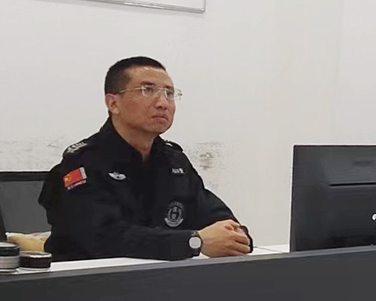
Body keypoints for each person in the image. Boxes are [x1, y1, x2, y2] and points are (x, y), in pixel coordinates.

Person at [39, 57, 252, 260]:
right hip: (88, 280)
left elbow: (213, 213)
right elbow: (104, 237)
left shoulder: (174, 161)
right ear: (113, 103)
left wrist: (235, 235)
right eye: (147, 90)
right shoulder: (83, 162)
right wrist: (193, 242)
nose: (163, 103)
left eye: (169, 93)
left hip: (163, 278)